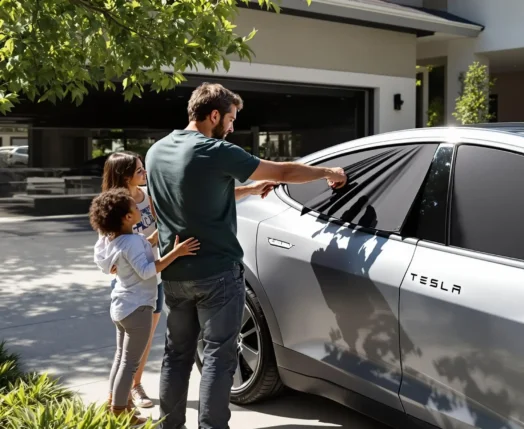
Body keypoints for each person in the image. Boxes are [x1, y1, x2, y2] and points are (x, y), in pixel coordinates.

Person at [146, 82, 347, 429]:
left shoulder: (156, 152)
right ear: (214, 115)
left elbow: (186, 198)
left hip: (176, 274)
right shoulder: (214, 150)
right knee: (217, 359)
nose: (233, 126)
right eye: (231, 118)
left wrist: (247, 190)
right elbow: (284, 171)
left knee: (177, 357)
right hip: (217, 275)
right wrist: (329, 172)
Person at [90, 188, 200, 426]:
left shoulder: (117, 240)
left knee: (122, 359)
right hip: (137, 308)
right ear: (128, 217)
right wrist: (176, 253)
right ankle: (119, 411)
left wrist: (155, 238)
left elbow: (140, 248)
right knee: (130, 364)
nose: (139, 208)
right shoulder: (131, 242)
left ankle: (117, 403)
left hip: (121, 307)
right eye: (134, 207)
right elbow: (148, 270)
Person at [101, 151, 163, 409]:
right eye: (139, 170)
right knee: (129, 348)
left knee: (145, 339)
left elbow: (163, 224)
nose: (144, 174)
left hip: (155, 278)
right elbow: (103, 249)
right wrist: (110, 264)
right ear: (125, 175)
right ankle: (122, 398)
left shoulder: (149, 196)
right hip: (133, 284)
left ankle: (130, 389)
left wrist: (158, 237)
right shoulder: (115, 205)